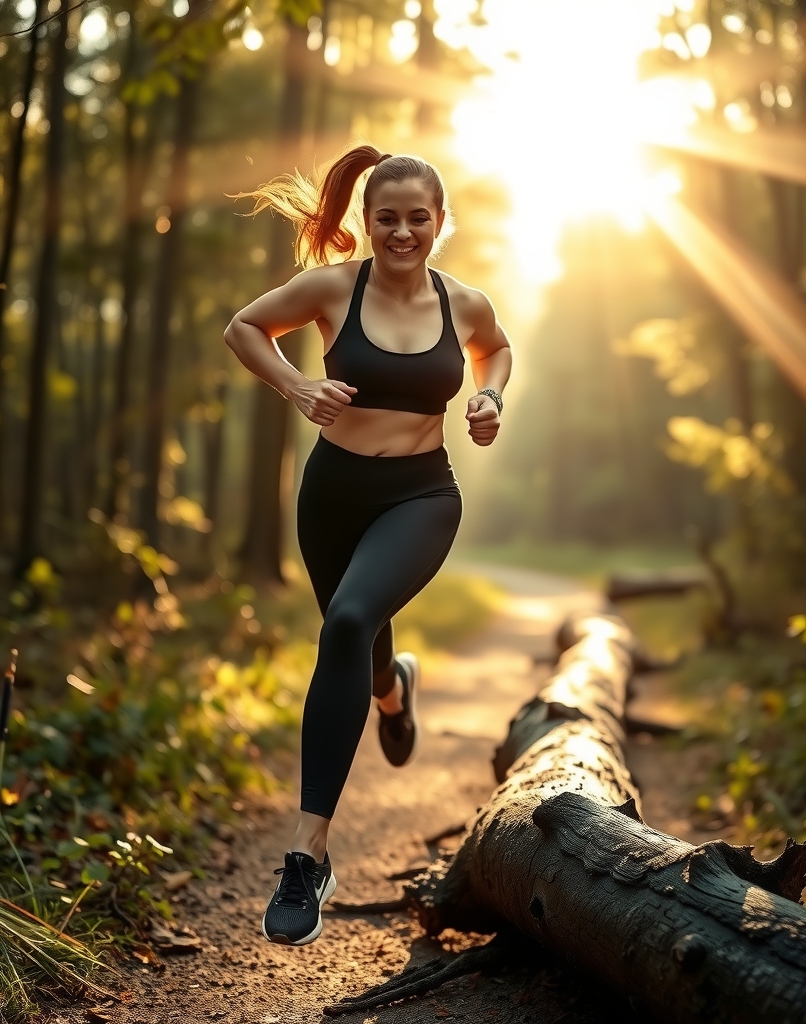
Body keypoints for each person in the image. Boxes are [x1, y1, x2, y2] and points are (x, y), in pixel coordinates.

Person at [224, 144, 512, 946]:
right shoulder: (331, 287)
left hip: (421, 494)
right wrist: (297, 384)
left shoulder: (465, 304)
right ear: (366, 221)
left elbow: (497, 350)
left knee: (346, 621)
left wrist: (488, 398)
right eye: (387, 217)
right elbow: (243, 327)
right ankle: (393, 689)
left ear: (440, 224)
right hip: (332, 496)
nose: (402, 231)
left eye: (418, 217)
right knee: (360, 631)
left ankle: (307, 852)